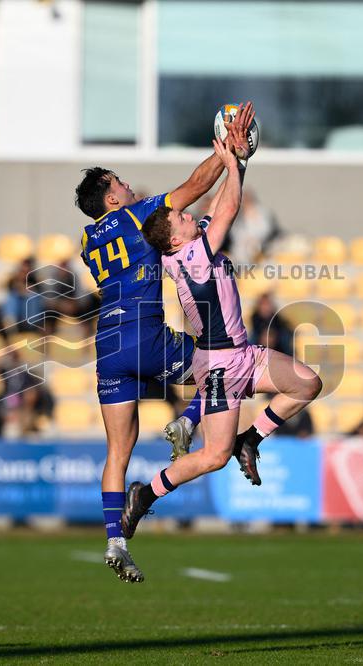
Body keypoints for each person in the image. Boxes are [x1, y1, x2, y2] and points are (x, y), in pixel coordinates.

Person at [73, 102, 255, 583]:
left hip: (107, 347)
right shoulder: (135, 218)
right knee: (222, 359)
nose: (128, 187)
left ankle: (115, 539)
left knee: (118, 451)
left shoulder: (89, 243)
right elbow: (195, 188)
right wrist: (227, 151)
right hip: (145, 334)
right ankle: (197, 425)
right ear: (112, 199)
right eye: (120, 184)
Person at [126, 137, 321, 553]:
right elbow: (227, 209)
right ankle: (146, 494)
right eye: (181, 217)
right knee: (213, 457)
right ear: (175, 240)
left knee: (307, 384)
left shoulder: (188, 249)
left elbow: (220, 209)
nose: (189, 216)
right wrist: (233, 163)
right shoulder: (191, 257)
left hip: (243, 354)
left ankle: (250, 439)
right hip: (218, 367)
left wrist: (240, 161)